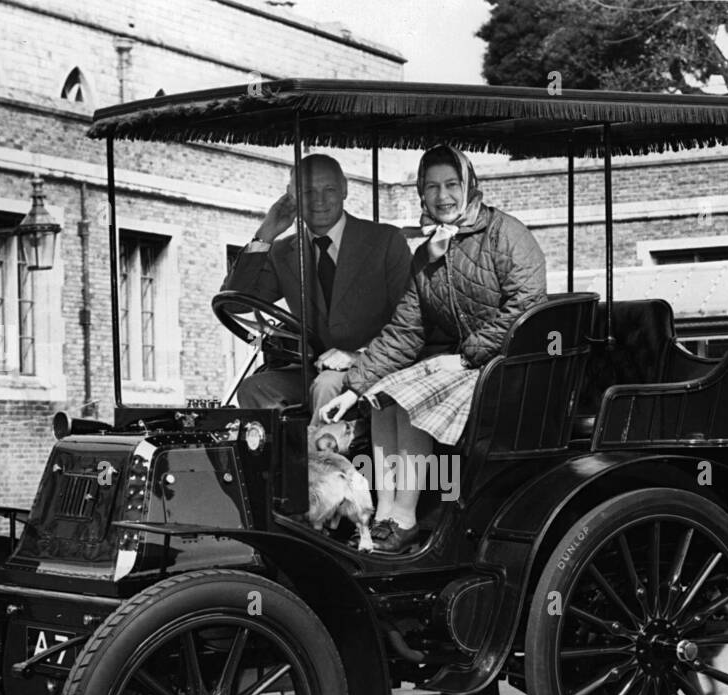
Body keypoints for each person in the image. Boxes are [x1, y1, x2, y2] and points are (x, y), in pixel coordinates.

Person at [321, 144, 547, 553]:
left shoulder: (505, 233)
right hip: (463, 364)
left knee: (409, 400)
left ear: (469, 186)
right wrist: (354, 388)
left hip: (512, 364)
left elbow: (526, 307)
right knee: (381, 399)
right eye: (432, 187)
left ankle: (405, 518)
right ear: (421, 194)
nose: (442, 196)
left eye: (452, 184)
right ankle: (385, 515)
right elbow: (406, 329)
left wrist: (464, 356)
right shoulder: (426, 254)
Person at [223, 154, 412, 414]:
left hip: (375, 368)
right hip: (310, 370)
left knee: (326, 385)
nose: (320, 201)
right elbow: (234, 304)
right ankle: (282, 454)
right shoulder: (282, 252)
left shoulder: (386, 241)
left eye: (329, 189)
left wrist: (360, 355)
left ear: (345, 189)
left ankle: (321, 454)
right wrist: (265, 234)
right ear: (291, 195)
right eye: (308, 191)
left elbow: (410, 322)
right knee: (253, 387)